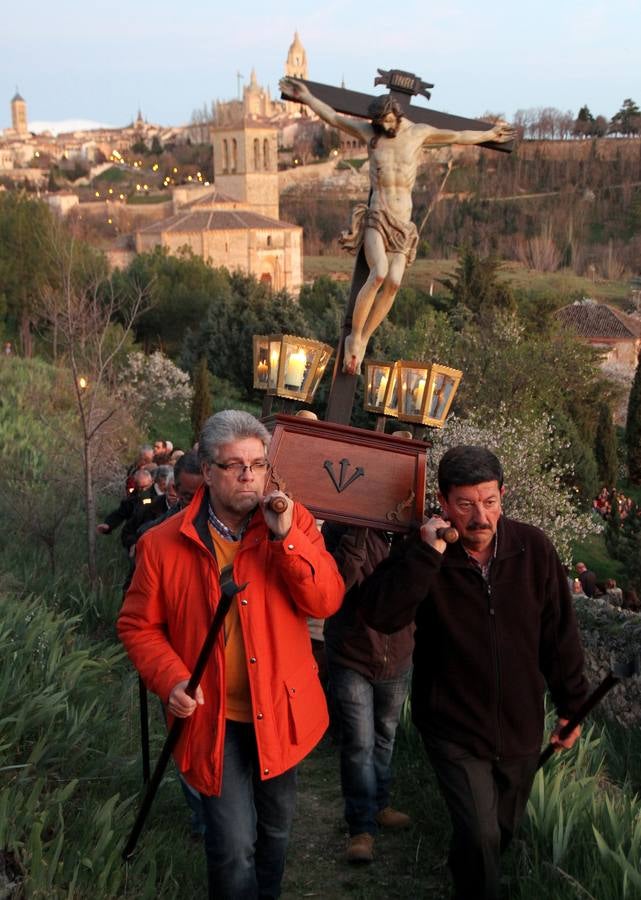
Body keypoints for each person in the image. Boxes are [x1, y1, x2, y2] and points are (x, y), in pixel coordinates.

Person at [117, 410, 344, 899]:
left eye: (258, 465)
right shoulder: (162, 544)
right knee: (232, 846)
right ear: (208, 469)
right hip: (211, 719)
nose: (249, 476)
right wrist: (173, 678)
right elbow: (138, 625)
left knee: (277, 833)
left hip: (280, 712)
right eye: (235, 465)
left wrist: (285, 538)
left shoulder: (292, 522)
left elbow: (326, 600)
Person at [359, 445, 588, 900]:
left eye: (490, 501)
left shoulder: (534, 548)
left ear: (503, 495)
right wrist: (426, 554)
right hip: (453, 727)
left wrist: (572, 708)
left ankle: (464, 878)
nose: (480, 516)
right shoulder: (424, 553)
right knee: (483, 836)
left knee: (495, 835)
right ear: (444, 503)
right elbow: (381, 614)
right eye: (465, 504)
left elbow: (558, 636)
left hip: (520, 727)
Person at [279, 77, 515, 375]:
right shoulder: (372, 135)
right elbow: (335, 118)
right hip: (378, 215)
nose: (385, 127)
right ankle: (353, 334)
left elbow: (457, 136)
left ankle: (364, 338)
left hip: (403, 223)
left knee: (394, 283)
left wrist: (489, 133)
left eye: (389, 121)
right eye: (380, 122)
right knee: (378, 274)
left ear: (397, 116)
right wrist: (307, 97)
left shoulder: (418, 134)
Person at [323, 523, 413, 864]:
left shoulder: (412, 529)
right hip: (352, 653)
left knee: (385, 735)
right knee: (359, 742)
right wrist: (357, 533)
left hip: (398, 653)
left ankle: (379, 804)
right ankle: (360, 826)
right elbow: (336, 587)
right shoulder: (338, 527)